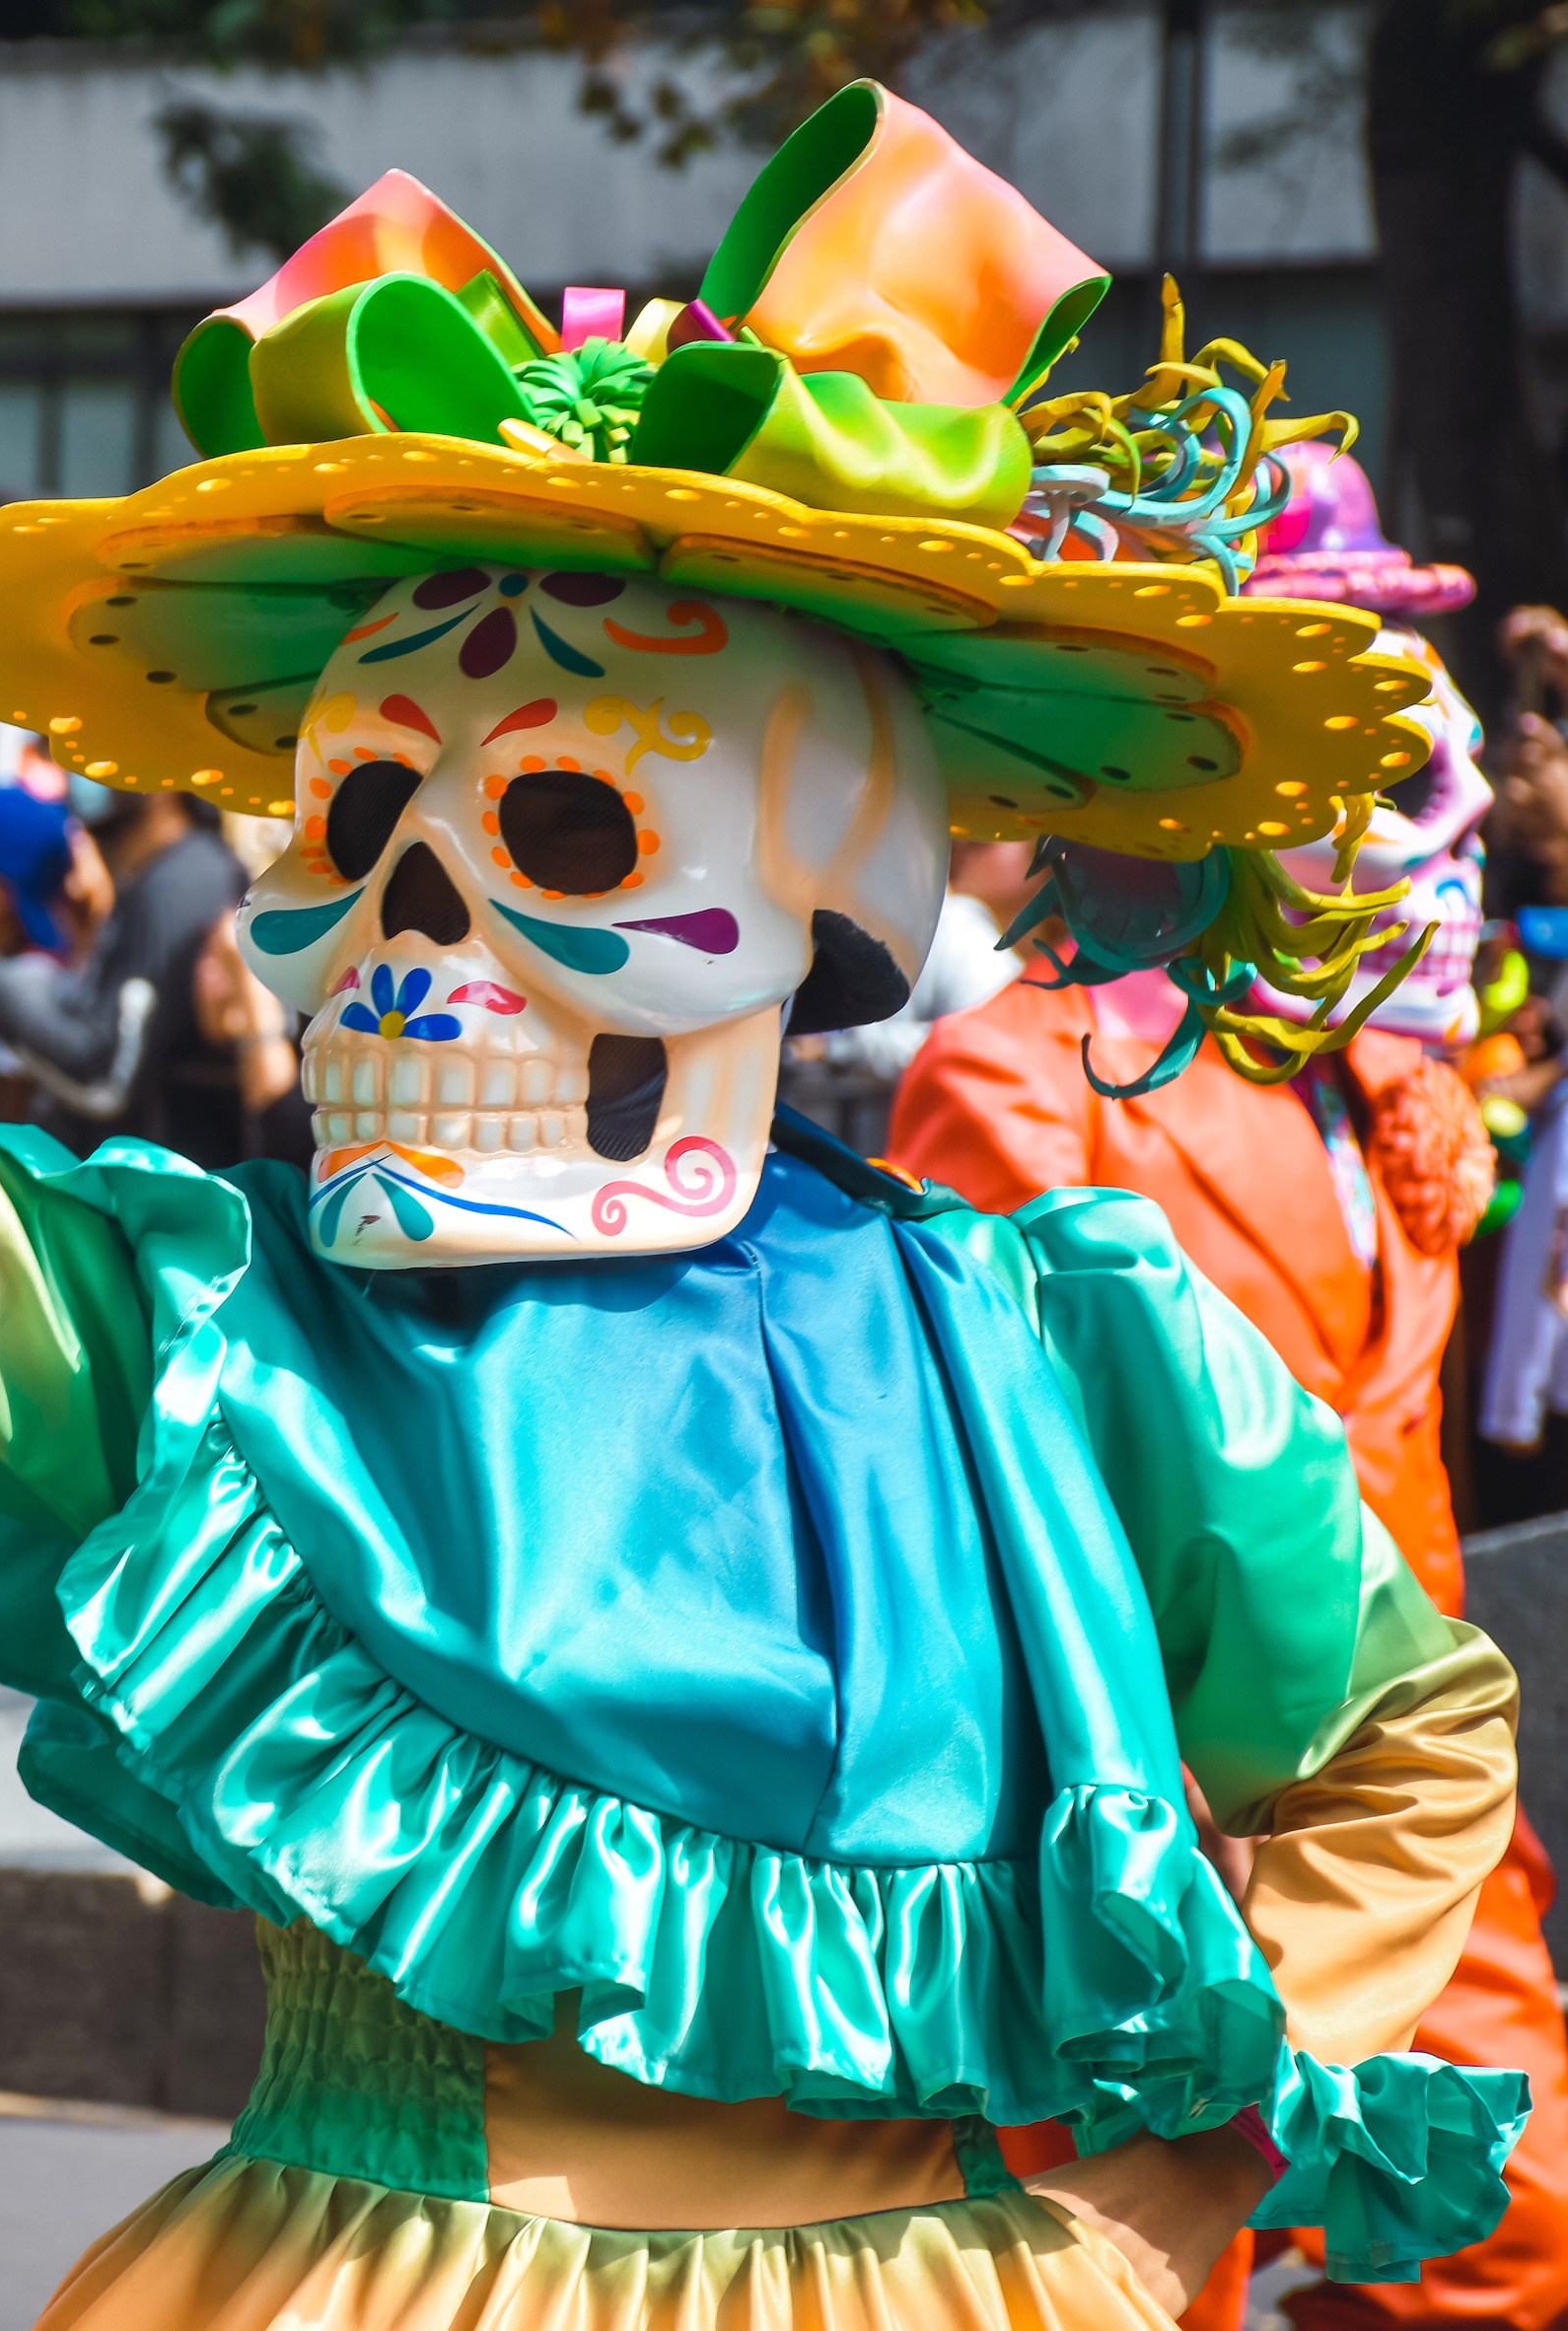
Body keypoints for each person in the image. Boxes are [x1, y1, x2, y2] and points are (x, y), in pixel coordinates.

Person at [0, 80, 1526, 2331]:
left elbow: (1403, 1742)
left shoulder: (1052, 1347)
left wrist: (1153, 2196)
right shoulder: (235, 1332)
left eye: (570, 834)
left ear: (818, 894)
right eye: (348, 829)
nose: (401, 933)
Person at [892, 446, 1568, 2331]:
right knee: (1121, 2291)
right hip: (1144, 1847)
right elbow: (1004, 1471)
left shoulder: (1385, 1070)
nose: (1401, 751)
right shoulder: (1015, 1071)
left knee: (1510, 2248)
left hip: (1419, 1829)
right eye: (1329, 682)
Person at [0, 779, 249, 1164]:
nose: (87, 769)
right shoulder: (158, 874)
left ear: (166, 779)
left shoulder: (179, 883)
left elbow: (105, 1079)